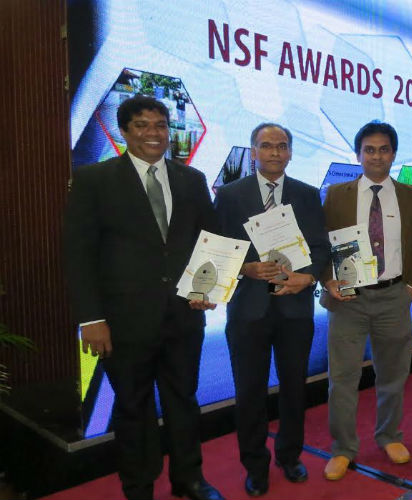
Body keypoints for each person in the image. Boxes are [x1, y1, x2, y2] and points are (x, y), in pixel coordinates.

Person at [63, 95, 223, 500]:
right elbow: (79, 254)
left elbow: (209, 243)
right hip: (123, 321)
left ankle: (188, 478)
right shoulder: (94, 180)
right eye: (142, 125)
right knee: (133, 408)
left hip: (185, 315)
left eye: (160, 125)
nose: (153, 133)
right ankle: (138, 487)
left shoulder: (192, 180)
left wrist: (210, 288)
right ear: (125, 131)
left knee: (183, 401)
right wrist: (90, 318)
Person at [214, 123, 331, 496]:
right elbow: (218, 249)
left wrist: (308, 277)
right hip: (247, 311)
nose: (275, 153)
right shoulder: (230, 195)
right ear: (253, 151)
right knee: (249, 392)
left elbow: (321, 249)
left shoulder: (308, 195)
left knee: (295, 389)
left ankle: (289, 455)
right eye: (266, 146)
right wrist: (245, 268)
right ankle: (255, 464)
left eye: (282, 146)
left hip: (295, 311)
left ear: (291, 152)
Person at [319, 121, 412, 480]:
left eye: (383, 149)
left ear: (393, 154)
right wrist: (327, 279)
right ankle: (343, 448)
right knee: (343, 379)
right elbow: (323, 244)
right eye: (369, 149)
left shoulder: (410, 195)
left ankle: (389, 435)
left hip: (394, 296)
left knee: (393, 374)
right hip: (349, 298)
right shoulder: (338, 194)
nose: (376, 156)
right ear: (358, 153)